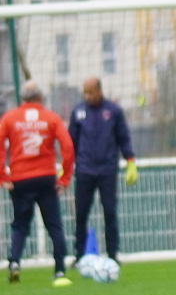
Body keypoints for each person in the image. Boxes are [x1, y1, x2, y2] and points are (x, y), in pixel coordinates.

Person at [1, 81, 75, 282]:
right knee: (53, 224)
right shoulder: (51, 118)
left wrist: (3, 176)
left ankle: (15, 262)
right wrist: (65, 177)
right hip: (45, 178)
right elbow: (67, 147)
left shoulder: (10, 118)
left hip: (20, 179)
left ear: (22, 98)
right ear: (41, 97)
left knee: (20, 225)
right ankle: (59, 268)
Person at [68, 77, 137, 266]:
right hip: (84, 170)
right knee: (81, 213)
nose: (87, 96)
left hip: (107, 169)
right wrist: (67, 165)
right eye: (85, 92)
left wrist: (130, 160)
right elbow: (71, 141)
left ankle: (113, 254)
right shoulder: (78, 112)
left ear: (99, 91)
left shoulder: (113, 111)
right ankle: (80, 255)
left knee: (110, 211)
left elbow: (123, 137)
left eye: (90, 92)